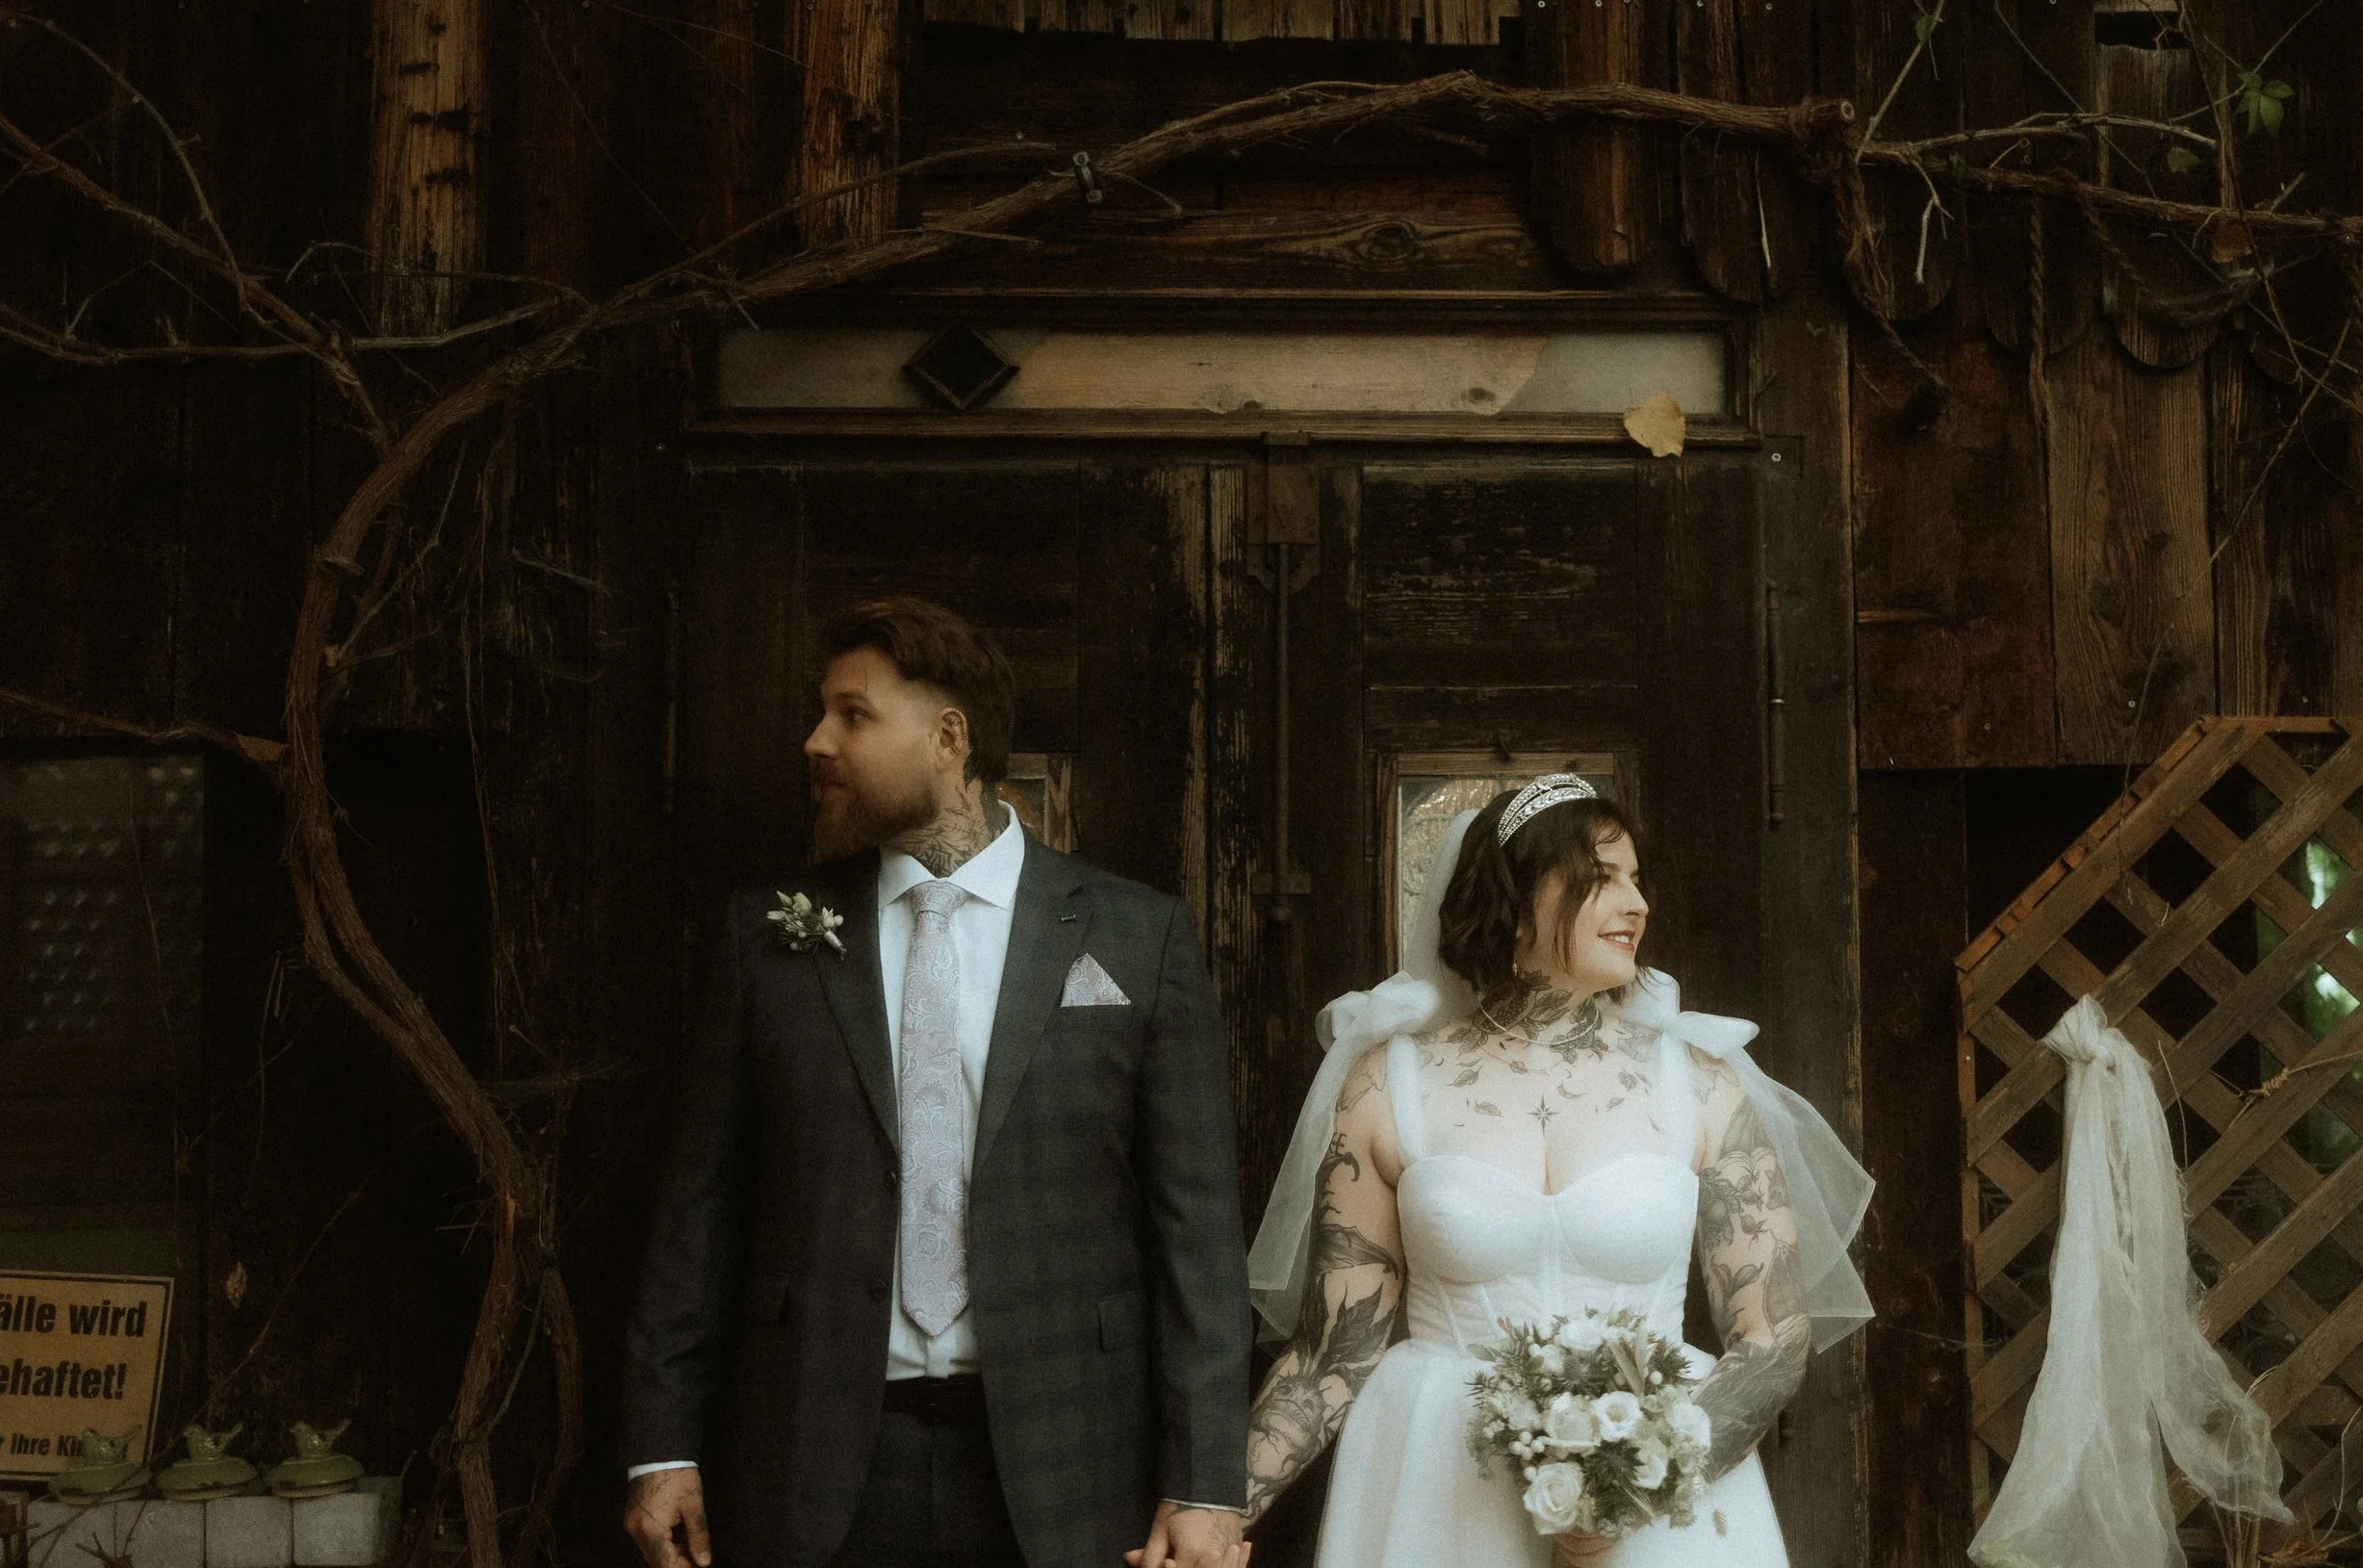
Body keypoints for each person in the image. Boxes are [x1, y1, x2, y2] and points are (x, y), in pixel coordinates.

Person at [621, 597, 1253, 1568]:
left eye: (852, 713)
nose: (816, 740)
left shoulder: (1135, 934)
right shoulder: (765, 942)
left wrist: (1207, 1477)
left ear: (948, 736)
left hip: (1066, 1463)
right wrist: (661, 1446)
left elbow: (1196, 1234)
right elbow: (696, 1212)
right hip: (810, 1457)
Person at [1242, 775, 1872, 1567]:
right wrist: (1218, 1509)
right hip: (1441, 1491)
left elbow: (1771, 1334)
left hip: (1657, 1506)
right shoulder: (1387, 1083)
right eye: (1602, 877)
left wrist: (1637, 1484)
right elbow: (1335, 1350)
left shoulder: (1701, 1082)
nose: (1636, 903)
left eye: (1637, 879)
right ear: (1514, 895)